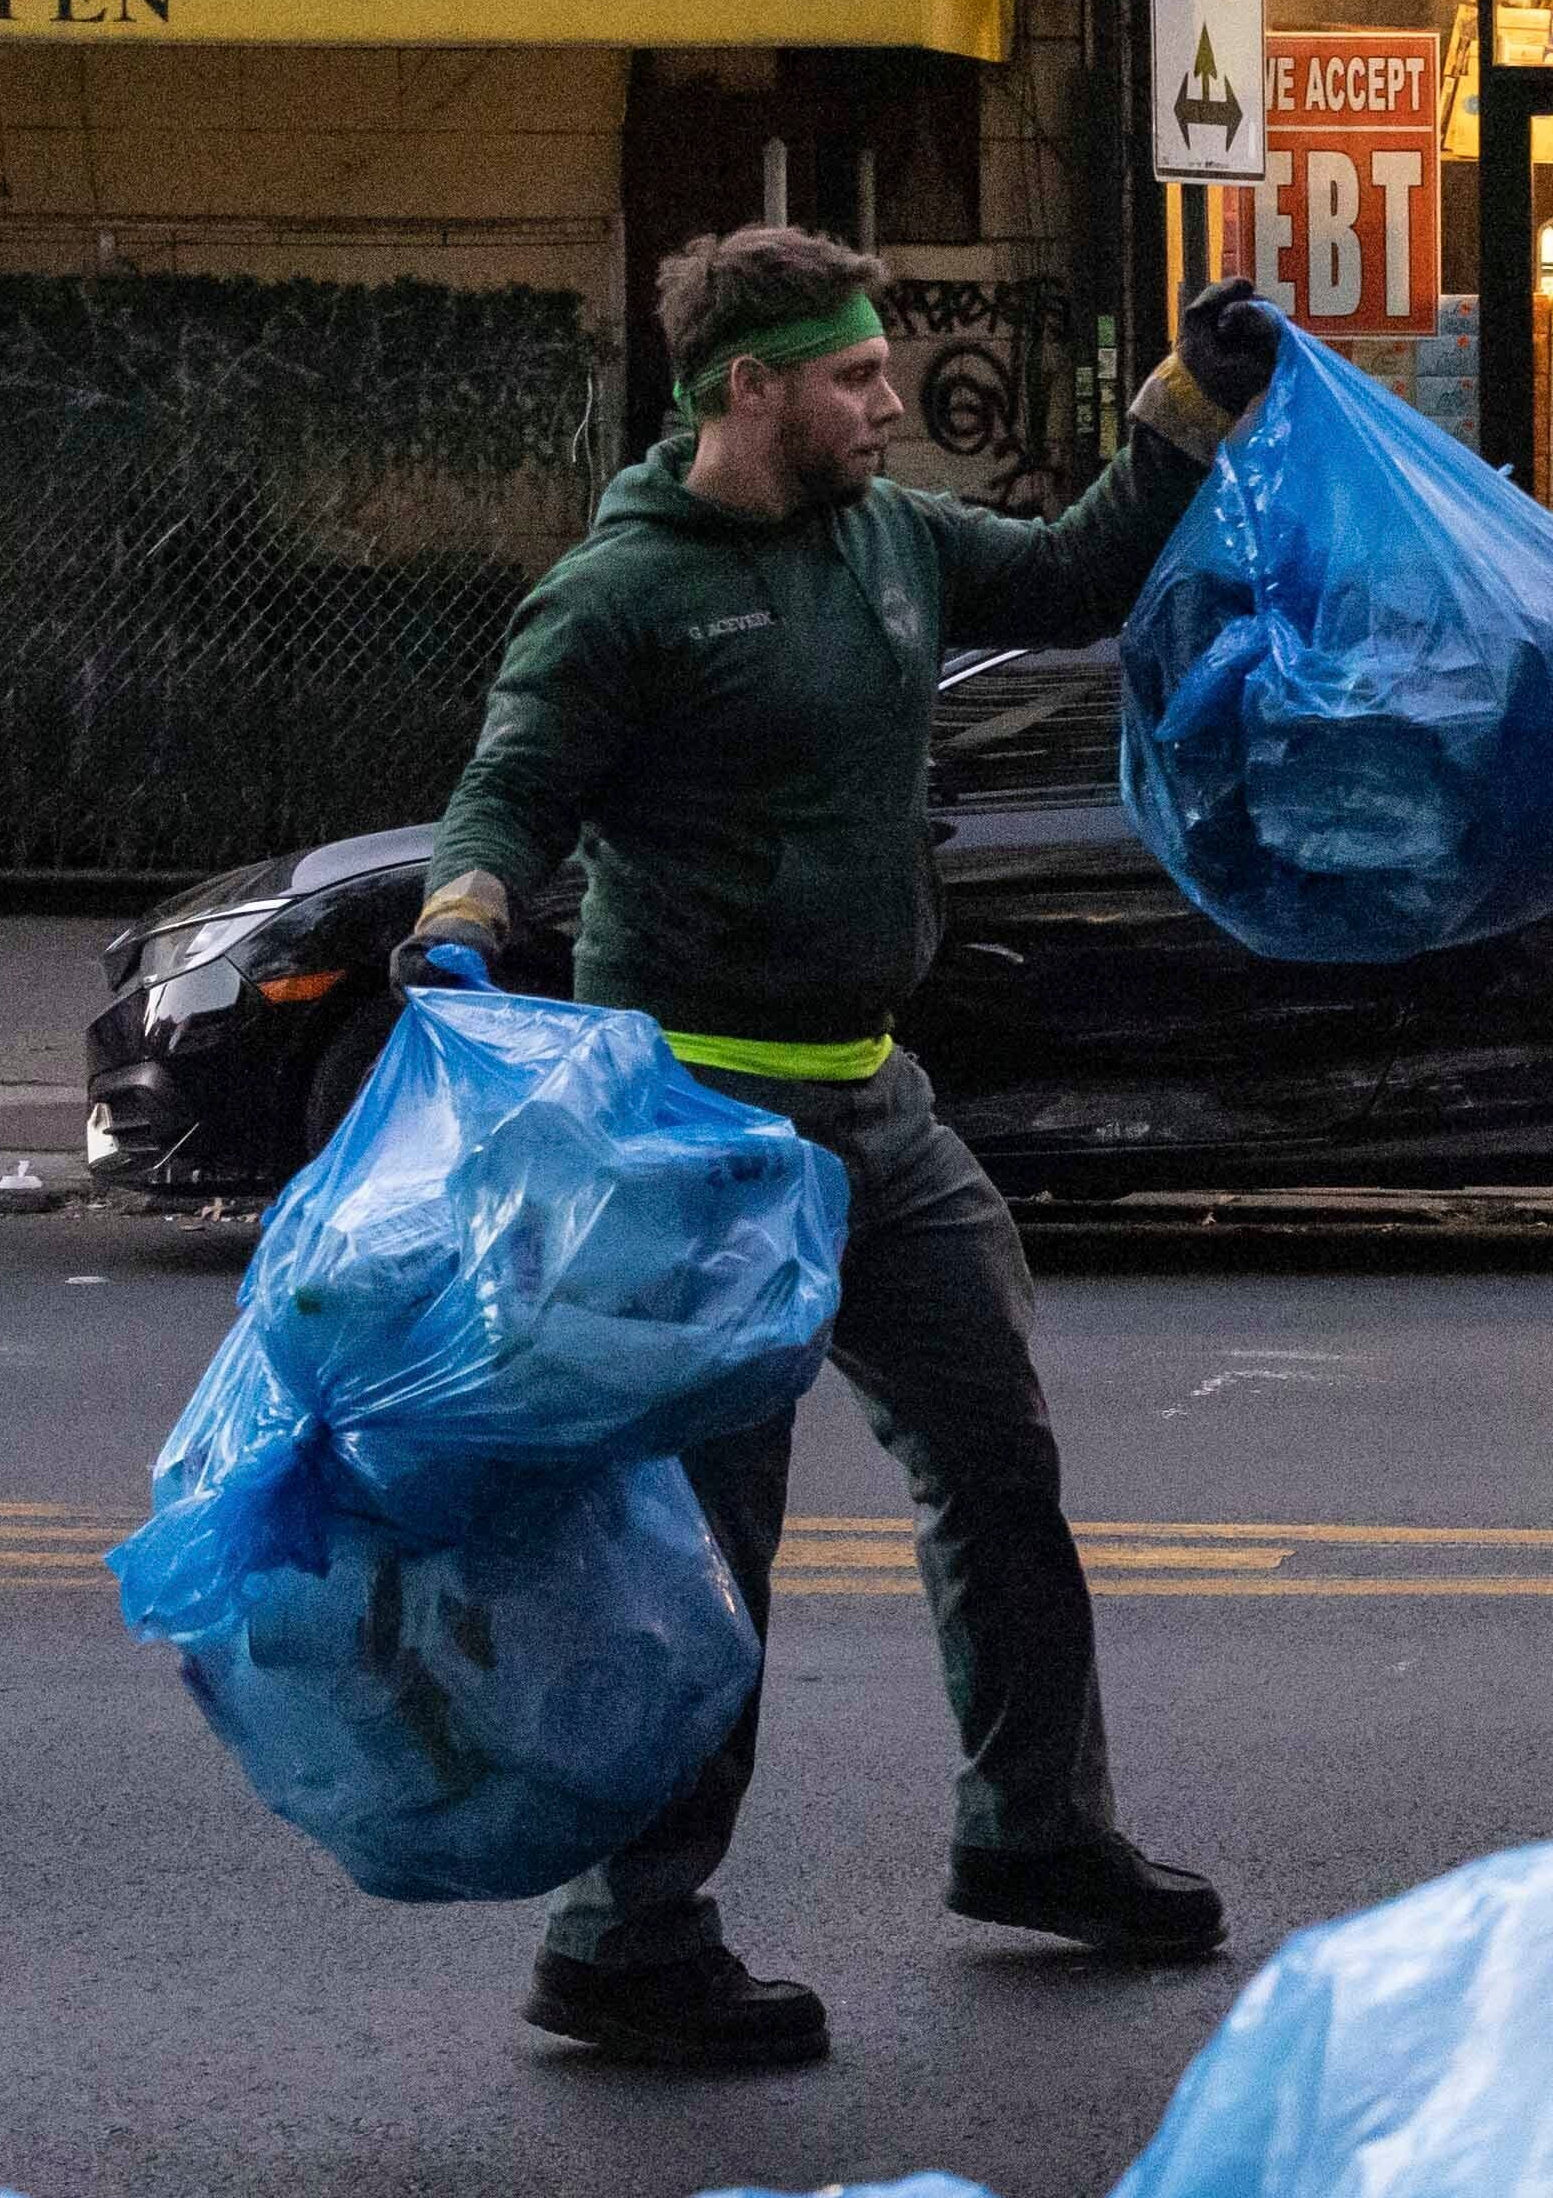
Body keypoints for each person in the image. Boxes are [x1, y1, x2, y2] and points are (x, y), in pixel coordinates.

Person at [397, 226, 1267, 2066]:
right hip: (699, 1129)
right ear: (750, 391)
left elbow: (1074, 572)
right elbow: (513, 787)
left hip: (878, 1104)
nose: (890, 403)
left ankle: (1038, 1832)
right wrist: (462, 914)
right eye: (857, 379)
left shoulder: (892, 543)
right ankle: (627, 1935)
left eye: (886, 371)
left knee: (1000, 1465)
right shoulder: (622, 595)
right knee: (713, 1551)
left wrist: (1195, 404)